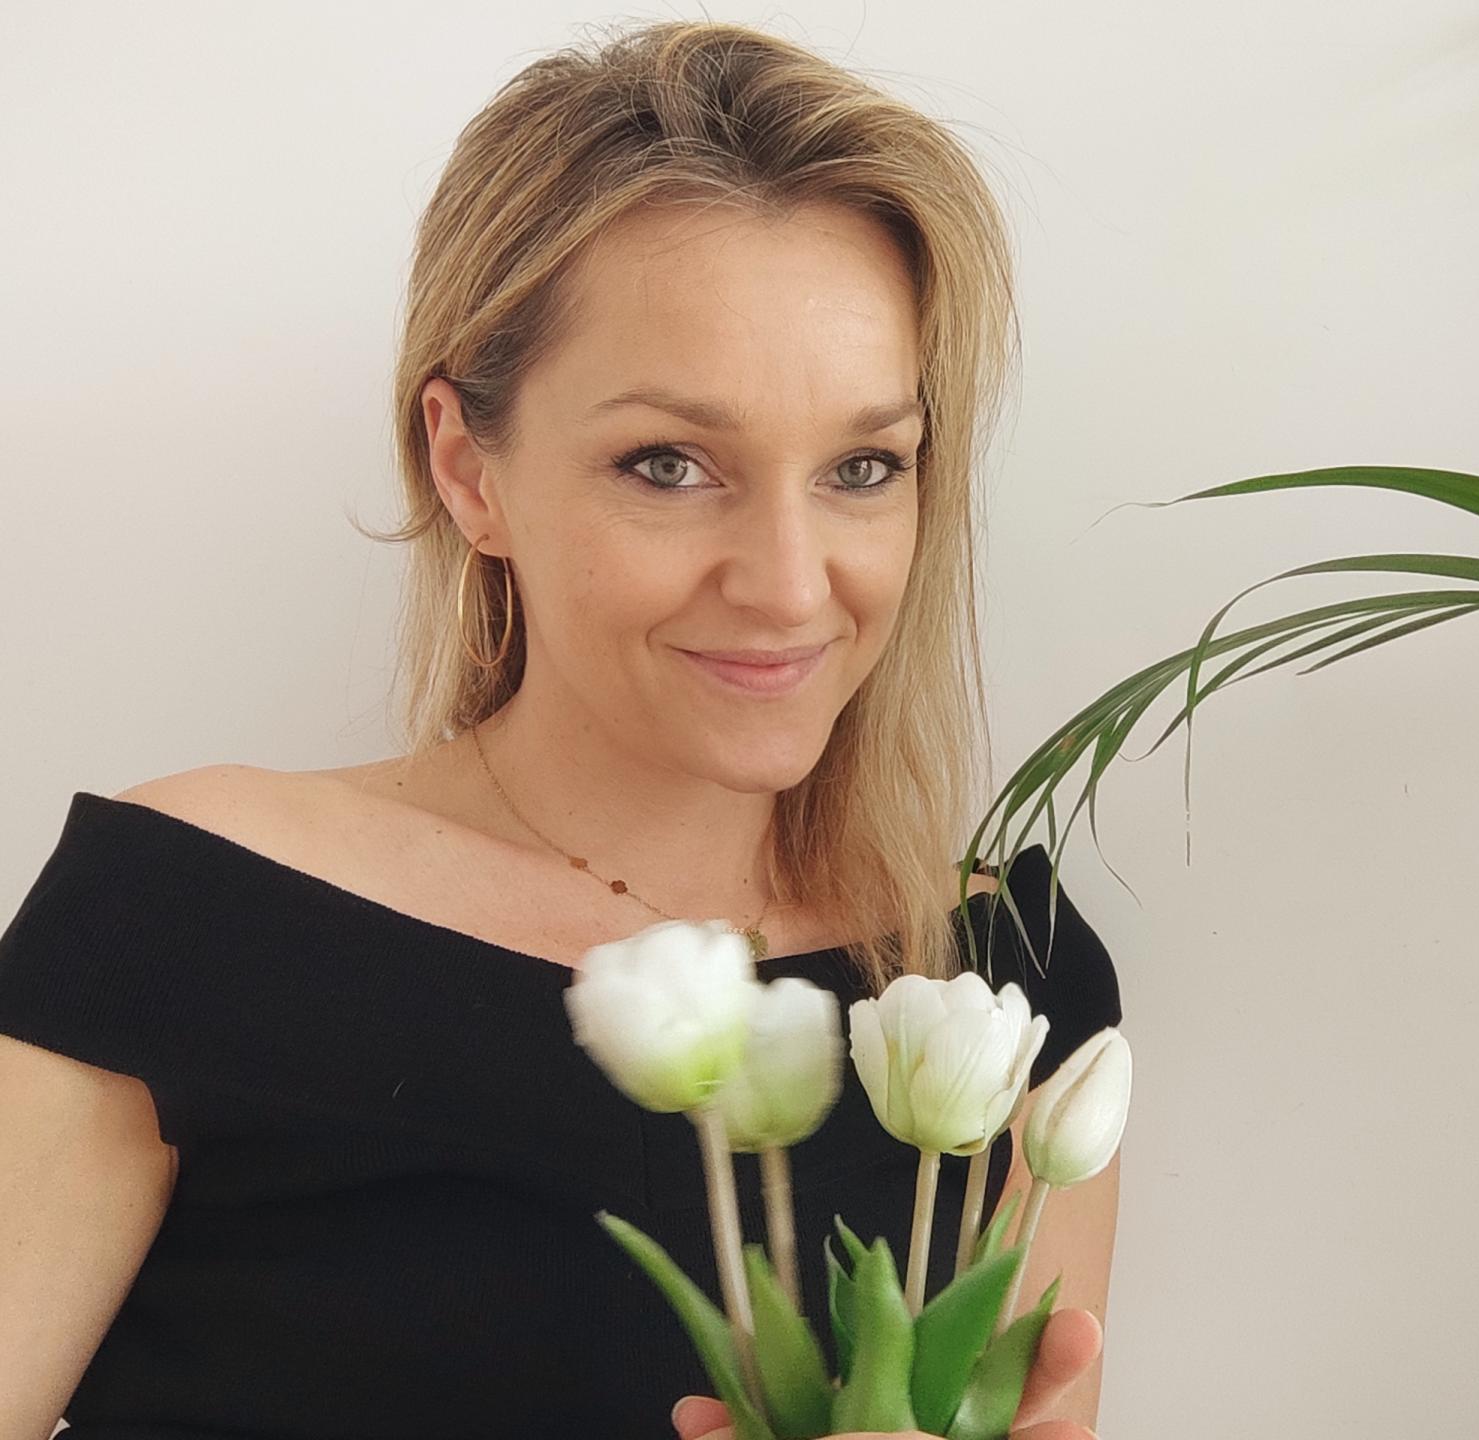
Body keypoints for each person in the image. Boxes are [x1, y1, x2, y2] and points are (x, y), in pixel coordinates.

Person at [0, 19, 1123, 1440]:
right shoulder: (179, 911)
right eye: (669, 464)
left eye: (861, 466)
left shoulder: (1005, 979)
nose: (790, 586)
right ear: (468, 467)